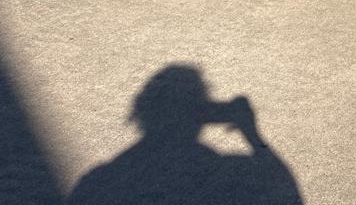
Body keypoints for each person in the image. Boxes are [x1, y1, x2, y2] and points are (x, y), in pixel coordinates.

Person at [66, 65, 302, 204]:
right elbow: (287, 195)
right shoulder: (221, 172)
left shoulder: (99, 181)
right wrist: (251, 133)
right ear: (199, 113)